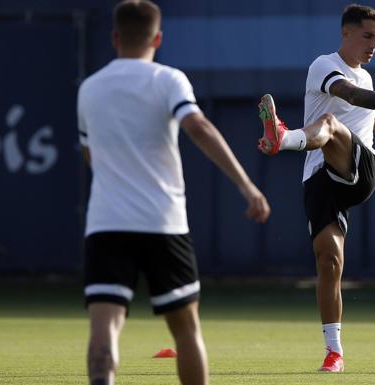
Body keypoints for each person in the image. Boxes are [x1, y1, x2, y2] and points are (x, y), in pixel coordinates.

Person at [77, 1, 270, 384]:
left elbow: (89, 154)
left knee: (106, 325)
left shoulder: (89, 88)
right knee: (185, 330)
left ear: (115, 37)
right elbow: (198, 127)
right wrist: (246, 185)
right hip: (163, 222)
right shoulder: (168, 79)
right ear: (158, 38)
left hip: (106, 222)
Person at [256, 4, 375, 373]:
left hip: (361, 173)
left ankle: (284, 137)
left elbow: (357, 117)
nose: (374, 44)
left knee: (328, 123)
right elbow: (354, 102)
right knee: (329, 260)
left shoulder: (366, 80)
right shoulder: (324, 65)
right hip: (320, 179)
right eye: (368, 36)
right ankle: (334, 351)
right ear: (345, 33)